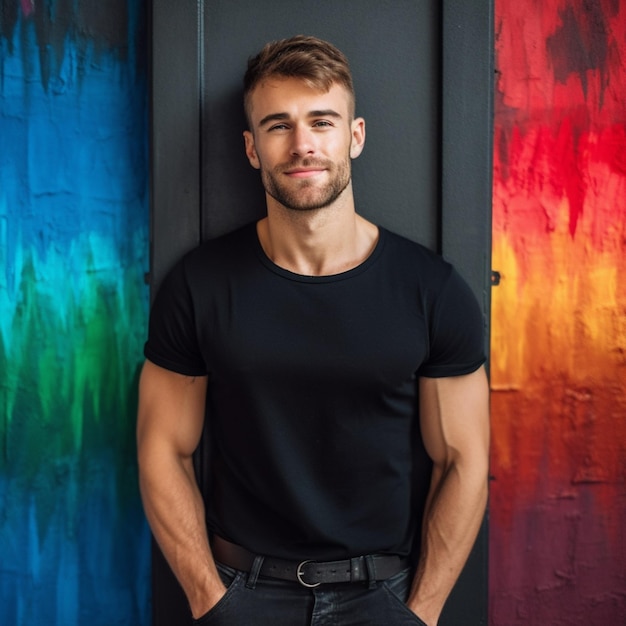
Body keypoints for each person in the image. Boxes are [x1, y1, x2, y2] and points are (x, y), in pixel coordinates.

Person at [137, 35, 490, 626]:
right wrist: (210, 600)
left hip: (385, 595)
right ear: (252, 149)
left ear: (354, 136)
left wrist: (420, 614)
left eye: (321, 121)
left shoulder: (432, 290)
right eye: (278, 125)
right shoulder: (199, 285)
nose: (302, 145)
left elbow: (463, 459)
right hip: (242, 592)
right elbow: (162, 448)